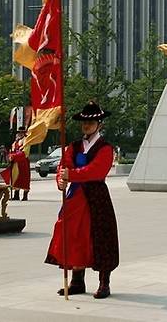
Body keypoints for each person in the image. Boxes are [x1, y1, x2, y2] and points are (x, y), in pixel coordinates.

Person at [45, 101, 119, 299]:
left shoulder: (105, 148)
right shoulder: (74, 146)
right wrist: (61, 180)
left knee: (100, 237)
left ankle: (105, 282)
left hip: (96, 197)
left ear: (99, 124)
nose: (87, 125)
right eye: (84, 122)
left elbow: (96, 171)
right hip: (75, 196)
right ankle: (77, 280)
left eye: (92, 122)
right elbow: (64, 166)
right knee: (73, 234)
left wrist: (72, 175)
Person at [1, 127, 31, 201]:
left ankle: (25, 195)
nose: (19, 133)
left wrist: (13, 156)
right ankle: (16, 195)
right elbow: (13, 150)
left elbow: (25, 153)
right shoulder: (15, 142)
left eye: (21, 132)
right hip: (15, 162)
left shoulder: (27, 141)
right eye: (19, 132)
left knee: (24, 178)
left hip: (23, 162)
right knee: (15, 178)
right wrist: (10, 155)